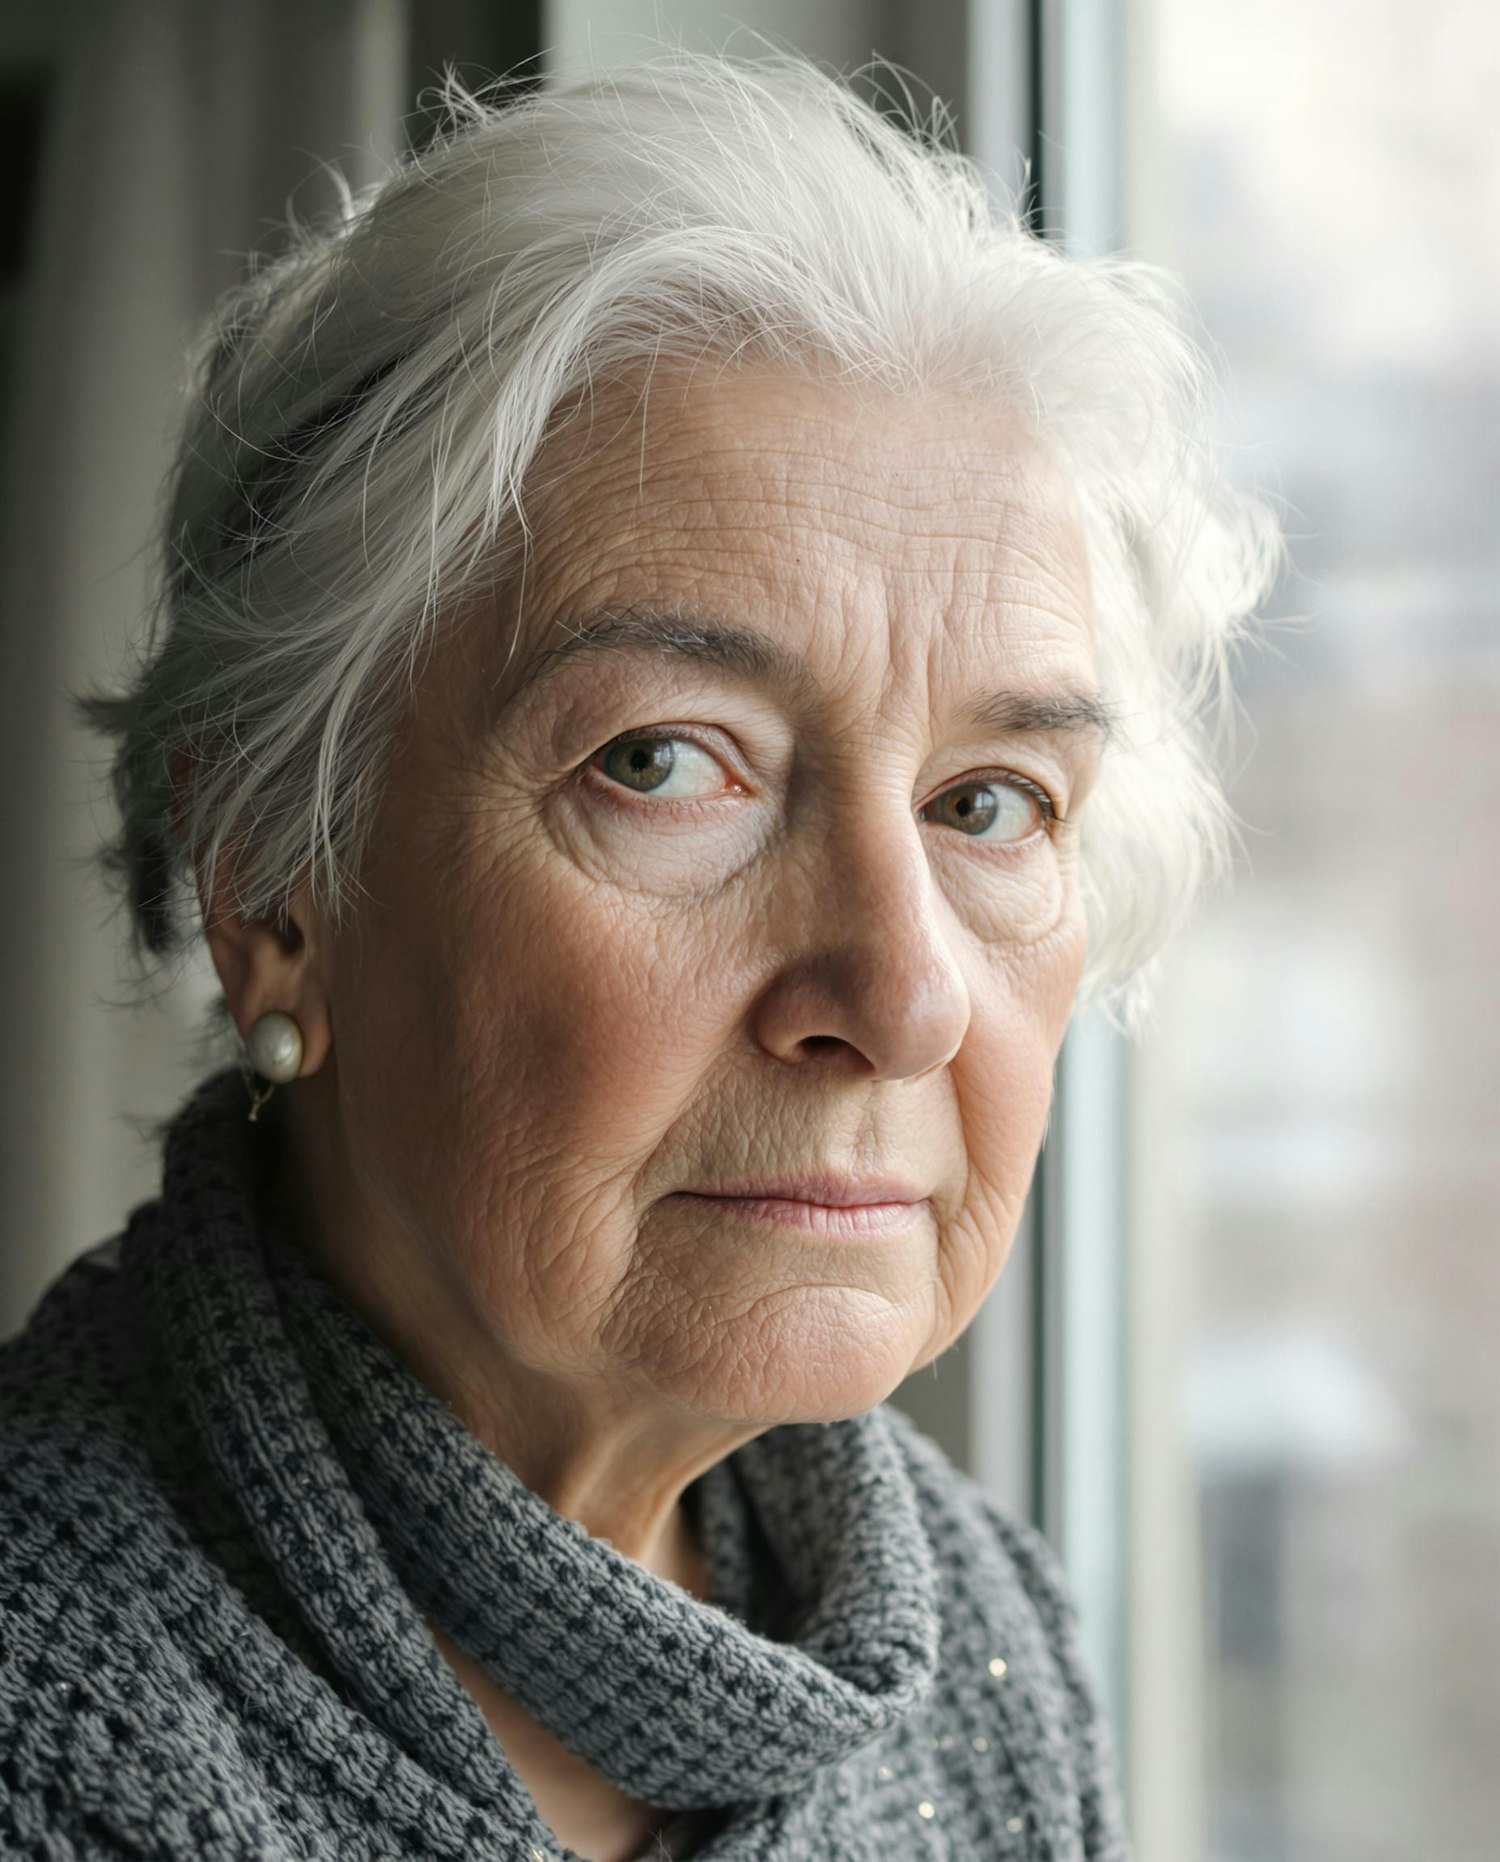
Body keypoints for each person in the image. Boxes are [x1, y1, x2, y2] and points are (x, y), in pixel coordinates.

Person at [0, 49, 1277, 1861]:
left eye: (990, 802)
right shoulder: (47, 1720)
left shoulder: (990, 1648)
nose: (904, 995)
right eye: (667, 763)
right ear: (274, 885)